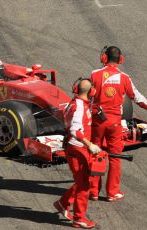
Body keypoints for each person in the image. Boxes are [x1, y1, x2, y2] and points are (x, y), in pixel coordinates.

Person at [89, 46, 147, 201]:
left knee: (95, 153)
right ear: (121, 59)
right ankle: (112, 193)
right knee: (115, 157)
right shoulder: (124, 77)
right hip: (115, 123)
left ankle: (93, 192)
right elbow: (137, 97)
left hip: (97, 121)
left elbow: (87, 97)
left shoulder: (94, 75)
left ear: (104, 58)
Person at [54, 78, 102, 229]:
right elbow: (75, 130)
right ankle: (79, 218)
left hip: (76, 147)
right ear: (91, 91)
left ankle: (62, 203)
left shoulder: (75, 103)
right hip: (78, 149)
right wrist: (90, 145)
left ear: (76, 89)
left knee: (82, 180)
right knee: (83, 185)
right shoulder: (79, 106)